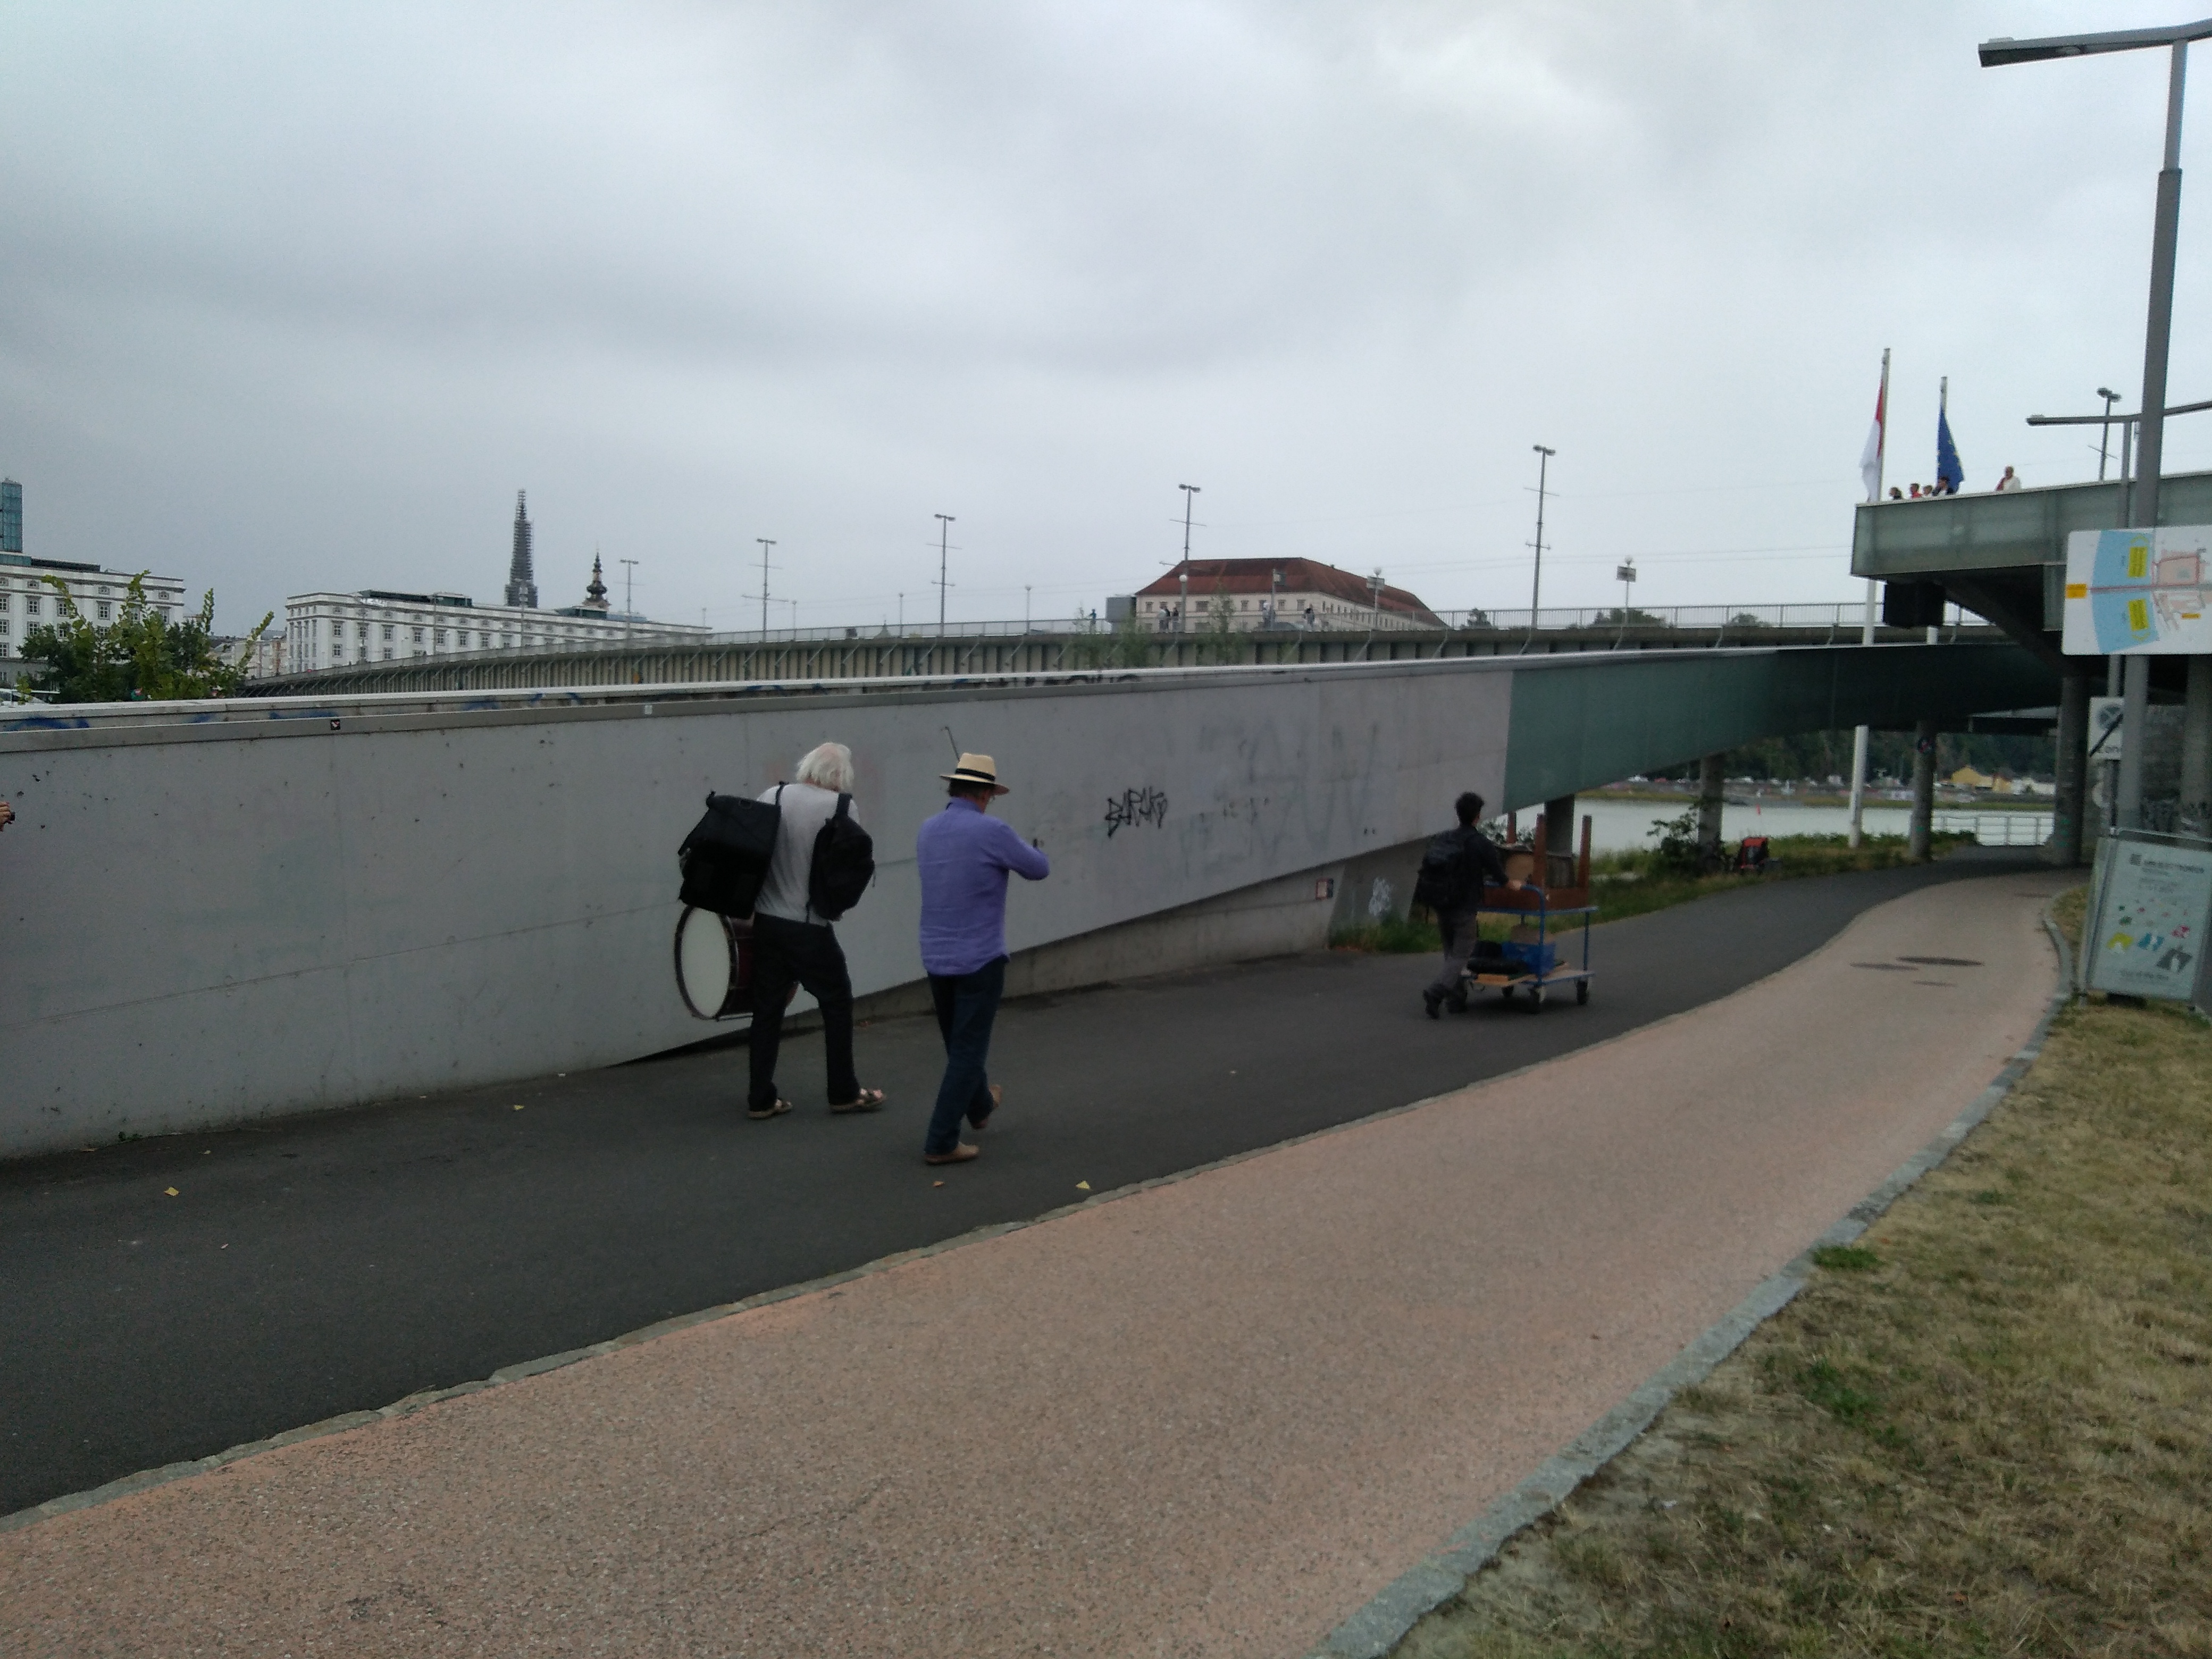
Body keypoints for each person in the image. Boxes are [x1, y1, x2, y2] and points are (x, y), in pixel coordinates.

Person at [915, 753, 1049, 1165]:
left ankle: (980, 1107)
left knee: (959, 1042)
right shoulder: (993, 830)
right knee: (969, 1050)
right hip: (980, 955)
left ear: (953, 788)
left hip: (936, 954)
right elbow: (1038, 868)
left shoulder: (928, 829)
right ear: (987, 793)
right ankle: (940, 1140)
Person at [743, 741, 885, 1121]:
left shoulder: (773, 795)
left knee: (767, 1009)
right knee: (837, 1002)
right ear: (840, 777)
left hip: (767, 922)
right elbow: (845, 867)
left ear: (807, 767)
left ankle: (760, 1098)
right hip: (808, 926)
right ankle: (843, 1091)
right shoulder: (841, 807)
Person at [1422, 792, 1516, 1019]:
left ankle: (1456, 999)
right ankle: (1436, 993)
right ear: (1478, 816)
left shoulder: (1445, 839)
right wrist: (1514, 884)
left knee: (1451, 954)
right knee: (1462, 955)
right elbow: (1500, 876)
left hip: (1441, 904)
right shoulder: (1480, 843)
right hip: (1464, 908)